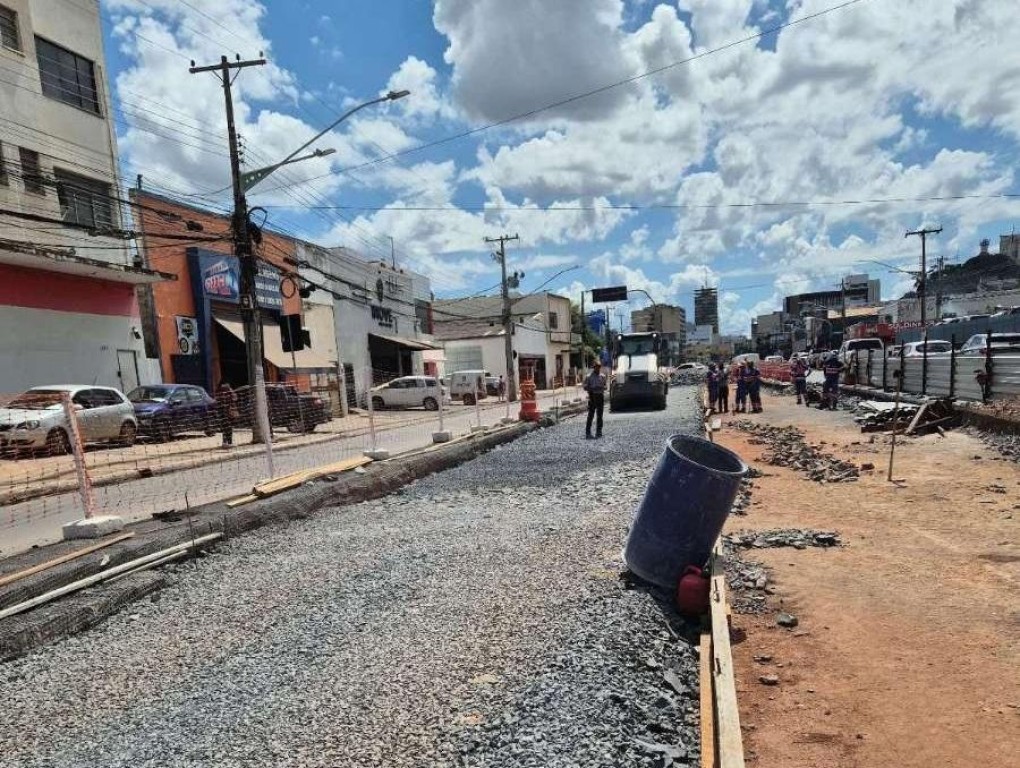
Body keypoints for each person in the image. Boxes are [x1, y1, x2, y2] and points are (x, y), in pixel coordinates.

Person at [583, 360, 607, 439]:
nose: (598, 368)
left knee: (600, 415)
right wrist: (591, 388)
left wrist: (601, 387)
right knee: (591, 415)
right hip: (592, 396)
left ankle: (599, 432)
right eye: (596, 367)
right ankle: (588, 433)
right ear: (594, 367)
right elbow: (584, 387)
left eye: (599, 367)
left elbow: (605, 386)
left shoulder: (603, 376)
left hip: (600, 396)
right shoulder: (589, 376)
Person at [216, 381, 237, 447]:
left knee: (225, 428)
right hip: (228, 412)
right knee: (229, 428)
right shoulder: (228, 392)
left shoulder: (219, 392)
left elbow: (218, 402)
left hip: (222, 412)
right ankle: (229, 442)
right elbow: (234, 398)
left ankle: (225, 442)